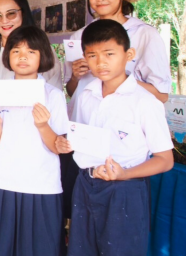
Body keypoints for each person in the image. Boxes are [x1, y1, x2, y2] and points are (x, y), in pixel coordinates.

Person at [57, 20, 174, 256]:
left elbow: (165, 159)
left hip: (126, 189)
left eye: (109, 54)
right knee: (82, 250)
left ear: (128, 54)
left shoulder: (145, 102)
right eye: (92, 55)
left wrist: (124, 173)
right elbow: (73, 133)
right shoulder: (85, 94)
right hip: (85, 183)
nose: (100, 62)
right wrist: (62, 141)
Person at [0, 26, 69, 256]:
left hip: (41, 186)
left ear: (43, 56)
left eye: (31, 52)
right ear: (8, 56)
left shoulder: (53, 96)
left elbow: (57, 147)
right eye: (16, 51)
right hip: (3, 182)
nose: (22, 57)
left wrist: (42, 125)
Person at [65, 0, 171, 118]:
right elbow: (71, 92)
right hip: (85, 122)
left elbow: (161, 96)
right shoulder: (79, 36)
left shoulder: (144, 34)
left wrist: (118, 79)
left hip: (125, 122)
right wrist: (75, 77)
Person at [0, 0, 62, 89]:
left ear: (23, 14)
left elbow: (53, 91)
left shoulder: (42, 49)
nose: (4, 21)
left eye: (11, 13)